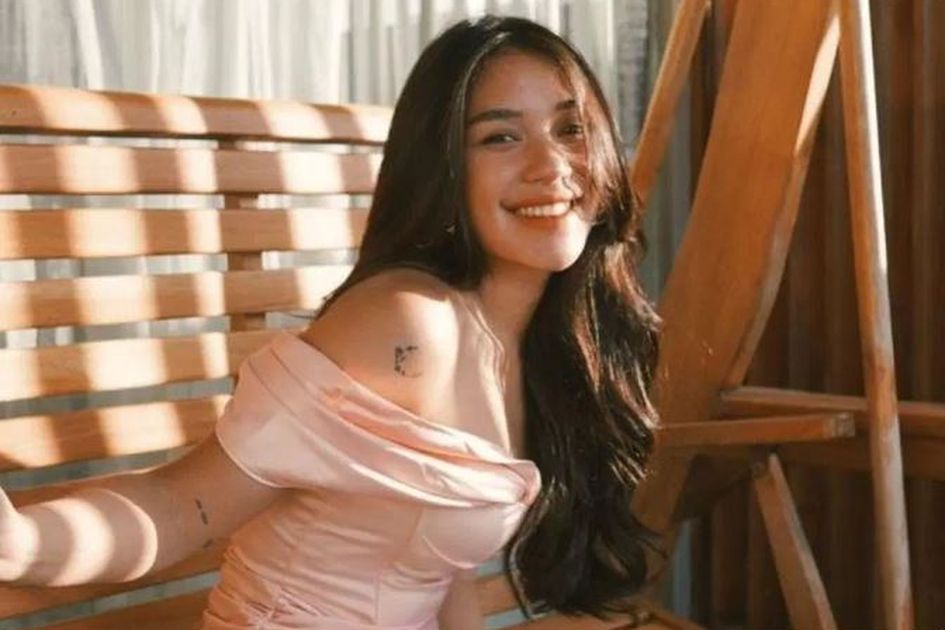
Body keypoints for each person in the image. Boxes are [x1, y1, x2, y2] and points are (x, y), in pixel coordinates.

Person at [0, 14, 661, 630]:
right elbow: (184, 504)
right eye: (500, 137)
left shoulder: (543, 341)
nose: (551, 165)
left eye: (570, 128)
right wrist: (20, 542)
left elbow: (442, 571)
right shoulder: (409, 327)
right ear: (444, 171)